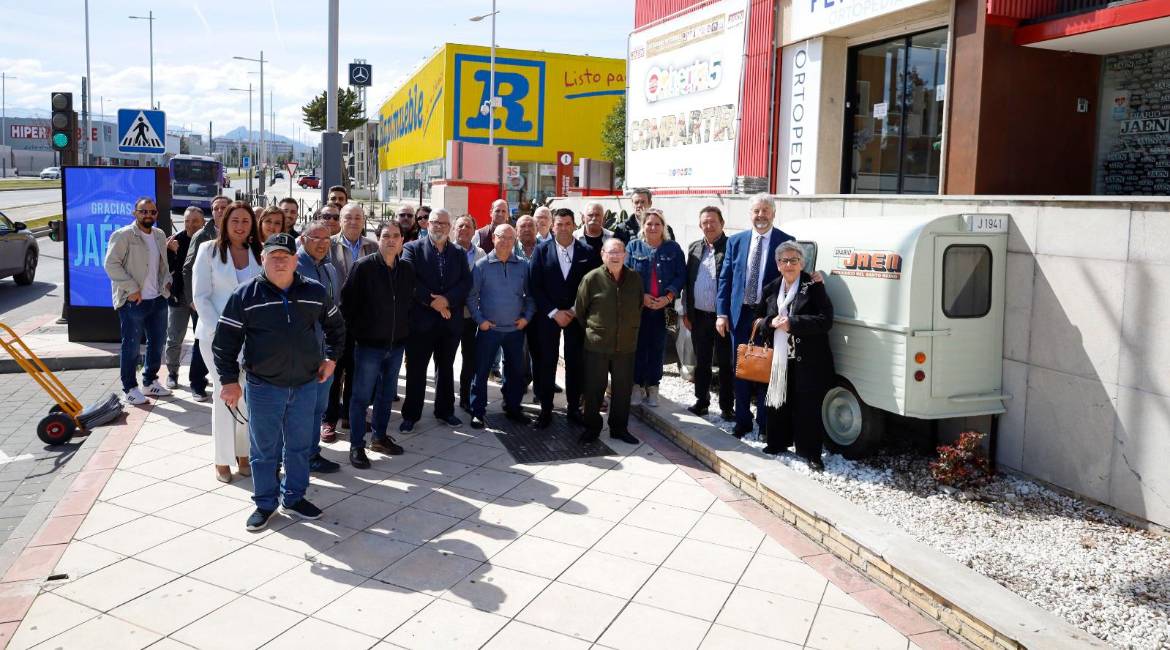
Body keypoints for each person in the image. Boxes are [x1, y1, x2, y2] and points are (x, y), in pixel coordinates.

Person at [213, 232, 345, 531]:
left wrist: (331, 358)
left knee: (299, 446)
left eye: (285, 257)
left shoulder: (314, 291)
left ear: (296, 260)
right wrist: (229, 381)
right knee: (264, 450)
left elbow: (336, 327)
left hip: (305, 385)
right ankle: (265, 503)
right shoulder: (244, 296)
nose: (280, 262)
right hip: (264, 387)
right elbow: (224, 343)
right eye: (274, 257)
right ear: (263, 260)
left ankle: (294, 498)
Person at [193, 200, 263, 482]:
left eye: (246, 221)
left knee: (247, 398)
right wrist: (224, 330)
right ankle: (222, 459)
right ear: (225, 223)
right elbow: (200, 296)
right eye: (235, 220)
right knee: (226, 395)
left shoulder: (259, 252)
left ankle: (244, 454)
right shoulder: (208, 251)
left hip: (253, 339)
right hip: (216, 337)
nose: (240, 226)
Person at [755, 241, 834, 471]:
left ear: (802, 263)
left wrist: (793, 323)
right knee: (778, 402)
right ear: (777, 264)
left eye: (793, 260)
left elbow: (826, 320)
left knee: (808, 407)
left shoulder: (813, 285)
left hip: (808, 359)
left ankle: (811, 453)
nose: (788, 264)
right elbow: (758, 319)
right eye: (784, 260)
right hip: (779, 358)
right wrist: (770, 322)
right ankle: (777, 443)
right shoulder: (771, 288)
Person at [717, 194, 791, 437]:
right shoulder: (736, 241)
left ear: (773, 213)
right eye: (756, 211)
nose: (761, 216)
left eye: (765, 211)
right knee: (741, 369)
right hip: (740, 316)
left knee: (765, 369)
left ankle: (764, 424)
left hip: (769, 317)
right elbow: (725, 278)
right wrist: (721, 313)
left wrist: (816, 276)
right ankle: (742, 422)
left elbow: (796, 274)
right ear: (750, 214)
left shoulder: (785, 242)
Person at [342, 220, 415, 468]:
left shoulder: (406, 269)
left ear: (402, 241)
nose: (391, 240)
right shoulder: (363, 267)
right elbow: (347, 306)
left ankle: (380, 437)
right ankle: (356, 445)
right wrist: (359, 333)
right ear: (377, 239)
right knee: (361, 396)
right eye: (386, 236)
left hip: (396, 346)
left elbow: (407, 304)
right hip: (369, 346)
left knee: (386, 395)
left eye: (396, 236)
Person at [401, 209, 472, 431]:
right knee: (416, 369)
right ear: (427, 225)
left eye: (443, 223)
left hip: (449, 322)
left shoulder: (459, 253)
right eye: (434, 222)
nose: (438, 226)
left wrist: (446, 300)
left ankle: (445, 411)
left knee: (446, 368)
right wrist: (432, 302)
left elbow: (465, 283)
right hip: (420, 322)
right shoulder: (411, 249)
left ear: (449, 227)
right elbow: (408, 280)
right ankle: (411, 414)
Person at [529, 207, 598, 428]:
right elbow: (535, 285)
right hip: (548, 316)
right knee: (546, 362)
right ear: (552, 226)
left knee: (575, 363)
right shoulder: (541, 251)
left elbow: (592, 286)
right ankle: (546, 410)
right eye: (559, 224)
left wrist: (575, 310)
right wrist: (553, 312)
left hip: (576, 316)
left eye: (568, 224)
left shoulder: (587, 252)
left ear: (575, 225)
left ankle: (573, 408)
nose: (564, 228)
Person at [104, 197, 174, 405]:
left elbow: (163, 264)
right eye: (143, 211)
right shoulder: (124, 235)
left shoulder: (159, 235)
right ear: (135, 213)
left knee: (157, 343)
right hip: (133, 301)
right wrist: (132, 289)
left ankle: (149, 381)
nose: (148, 215)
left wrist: (167, 283)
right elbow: (111, 265)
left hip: (158, 299)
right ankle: (129, 387)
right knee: (132, 346)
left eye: (152, 212)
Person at [467, 225, 535, 429]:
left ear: (514, 240)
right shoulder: (481, 266)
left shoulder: (523, 265)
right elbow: (471, 297)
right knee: (481, 371)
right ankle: (477, 411)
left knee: (515, 372)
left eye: (509, 238)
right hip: (490, 330)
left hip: (515, 330)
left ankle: (513, 407)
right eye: (501, 237)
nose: (505, 241)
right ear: (493, 239)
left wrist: (526, 318)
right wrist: (481, 321)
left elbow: (531, 296)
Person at [576, 239, 642, 445]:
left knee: (623, 389)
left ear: (625, 255)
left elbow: (639, 305)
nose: (615, 256)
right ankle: (592, 428)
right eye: (610, 252)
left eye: (619, 252)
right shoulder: (591, 278)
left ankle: (619, 428)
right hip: (597, 344)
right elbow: (580, 310)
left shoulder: (634, 278)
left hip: (626, 344)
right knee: (594, 388)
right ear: (603, 254)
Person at [322, 203, 378, 437]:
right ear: (340, 220)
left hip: (362, 321)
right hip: (334, 319)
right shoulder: (328, 244)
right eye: (348, 217)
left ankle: (350, 416)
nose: (353, 221)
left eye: (358, 217)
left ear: (364, 221)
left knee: (357, 371)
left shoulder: (372, 246)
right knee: (334, 371)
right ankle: (329, 419)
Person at [295, 220, 343, 473]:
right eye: (316, 239)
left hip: (325, 354)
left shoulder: (329, 269)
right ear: (302, 239)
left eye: (327, 240)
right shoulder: (292, 266)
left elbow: (334, 310)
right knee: (298, 410)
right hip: (300, 354)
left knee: (317, 408)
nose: (323, 244)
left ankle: (312, 453)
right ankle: (293, 457)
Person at [625, 209, 685, 407]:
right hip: (638, 308)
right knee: (638, 346)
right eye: (649, 224)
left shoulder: (673, 248)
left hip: (665, 309)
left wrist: (668, 297)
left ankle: (653, 387)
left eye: (657, 224)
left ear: (663, 227)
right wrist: (640, 296)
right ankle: (636, 386)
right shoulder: (633, 247)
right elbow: (625, 276)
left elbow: (681, 276)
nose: (653, 227)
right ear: (643, 226)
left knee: (659, 348)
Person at [684, 206, 734, 421]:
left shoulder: (732, 246)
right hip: (699, 315)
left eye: (713, 221)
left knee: (726, 363)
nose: (709, 225)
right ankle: (702, 402)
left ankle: (727, 407)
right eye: (705, 222)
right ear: (700, 225)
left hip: (723, 318)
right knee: (702, 362)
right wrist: (686, 311)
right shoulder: (694, 247)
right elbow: (688, 281)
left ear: (722, 223)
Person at [182, 195, 231, 397]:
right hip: (202, 300)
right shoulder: (203, 236)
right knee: (202, 339)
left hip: (226, 300)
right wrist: (192, 300)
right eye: (216, 208)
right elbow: (188, 269)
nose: (220, 211)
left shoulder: (238, 232)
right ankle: (197, 383)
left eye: (224, 207)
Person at [163, 206, 208, 396]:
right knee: (174, 337)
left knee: (203, 339)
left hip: (201, 298)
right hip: (179, 297)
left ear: (203, 222)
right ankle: (172, 373)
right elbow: (164, 268)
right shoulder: (174, 241)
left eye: (195, 221)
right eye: (187, 221)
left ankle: (198, 377)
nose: (190, 225)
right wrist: (168, 252)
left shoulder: (208, 241)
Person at [454, 215, 486, 413]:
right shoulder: (446, 250)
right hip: (449, 313)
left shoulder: (481, 253)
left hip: (471, 315)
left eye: (468, 226)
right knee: (445, 360)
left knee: (470, 358)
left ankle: (465, 397)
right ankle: (444, 399)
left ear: (474, 231)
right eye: (460, 225)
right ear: (454, 229)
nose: (464, 229)